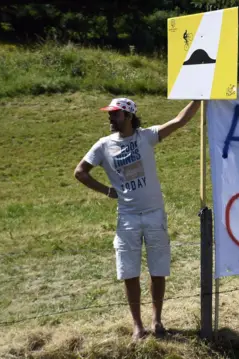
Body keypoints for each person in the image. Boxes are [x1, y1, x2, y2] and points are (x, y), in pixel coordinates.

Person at [74, 97, 201, 341]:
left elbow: (180, 120)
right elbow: (80, 172)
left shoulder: (146, 137)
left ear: (129, 116)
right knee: (129, 272)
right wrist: (107, 191)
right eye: (110, 114)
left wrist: (199, 98)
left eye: (116, 114)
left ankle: (157, 321)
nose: (110, 118)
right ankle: (137, 326)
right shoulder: (103, 145)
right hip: (127, 217)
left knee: (158, 270)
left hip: (154, 214)